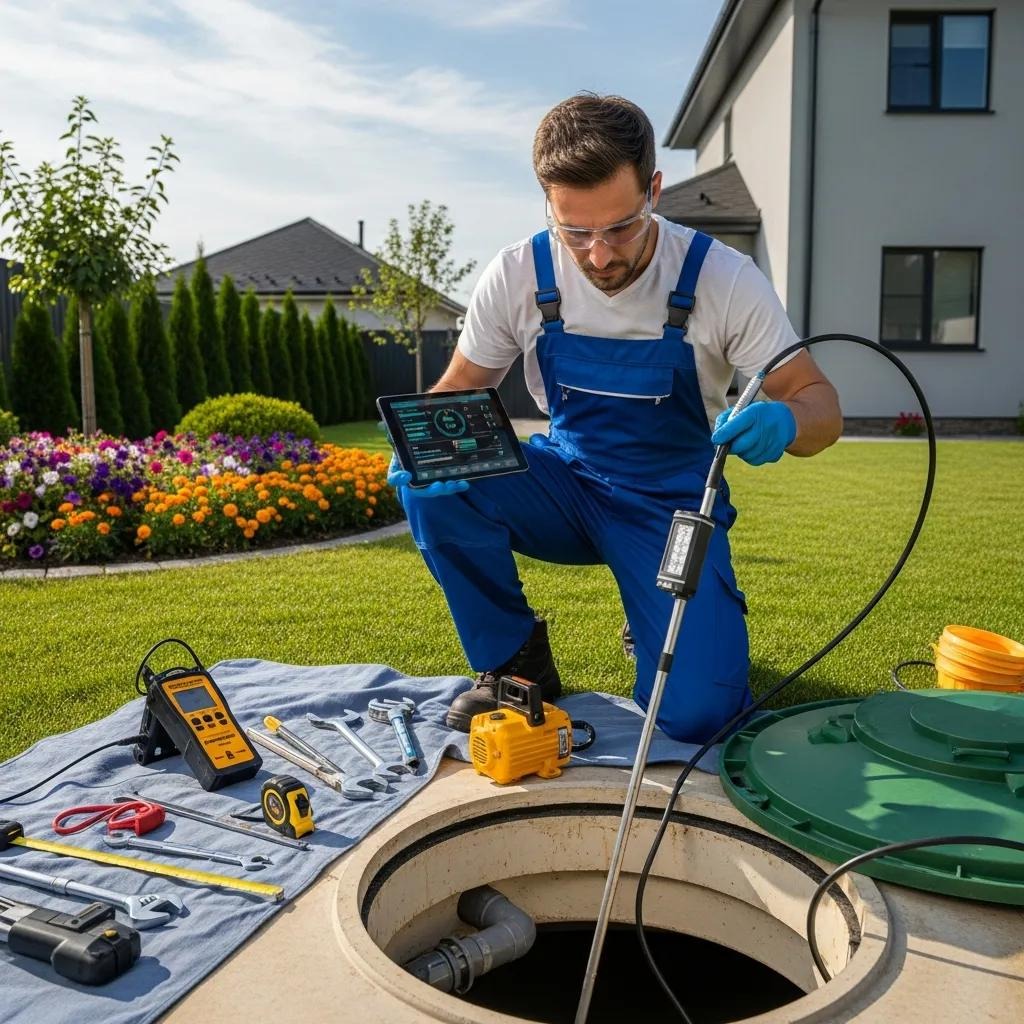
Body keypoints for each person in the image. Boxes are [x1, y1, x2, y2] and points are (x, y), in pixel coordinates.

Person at [390, 93, 842, 740]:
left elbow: (820, 402)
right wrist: (421, 444)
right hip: (565, 485)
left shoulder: (722, 279)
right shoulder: (519, 272)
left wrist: (789, 422)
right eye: (574, 231)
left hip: (672, 507)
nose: (599, 255)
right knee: (432, 483)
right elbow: (460, 387)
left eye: (621, 227)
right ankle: (515, 663)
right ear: (547, 203)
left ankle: (656, 615)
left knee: (699, 715)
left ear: (654, 189)